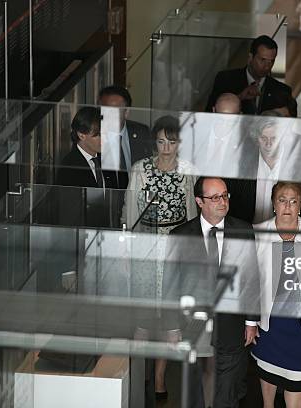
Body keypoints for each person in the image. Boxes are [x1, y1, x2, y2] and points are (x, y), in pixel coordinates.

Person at [163, 177, 260, 408]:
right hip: (193, 326)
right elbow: (170, 284)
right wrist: (171, 327)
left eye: (225, 195)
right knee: (194, 392)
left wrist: (251, 320)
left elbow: (251, 277)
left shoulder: (243, 230)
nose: (222, 202)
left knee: (227, 393)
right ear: (199, 201)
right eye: (215, 197)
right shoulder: (180, 235)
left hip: (231, 324)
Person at [122, 115, 197, 402]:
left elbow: (191, 213)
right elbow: (130, 209)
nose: (166, 147)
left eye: (172, 141)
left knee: (169, 315)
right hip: (145, 246)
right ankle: (137, 373)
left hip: (175, 247)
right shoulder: (140, 169)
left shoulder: (188, 170)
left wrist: (192, 252)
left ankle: (160, 377)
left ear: (180, 144)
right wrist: (127, 249)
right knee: (142, 315)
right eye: (162, 141)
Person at [251, 182, 301, 408]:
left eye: (293, 201)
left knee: (297, 384)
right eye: (282, 200)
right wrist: (252, 319)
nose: (287, 206)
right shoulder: (258, 232)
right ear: (274, 204)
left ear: (300, 205)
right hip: (270, 324)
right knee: (268, 392)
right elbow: (251, 281)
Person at [206, 35, 292, 115]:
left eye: (271, 61)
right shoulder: (226, 79)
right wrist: (239, 98)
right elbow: (209, 113)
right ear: (250, 57)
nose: (267, 66)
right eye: (262, 60)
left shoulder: (282, 91)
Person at [98, 85, 153, 177]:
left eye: (114, 111)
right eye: (105, 110)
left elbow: (149, 166)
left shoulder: (141, 132)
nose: (108, 115)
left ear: (126, 112)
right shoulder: (93, 135)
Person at [56, 107, 115, 189]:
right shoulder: (69, 168)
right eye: (99, 135)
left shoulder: (107, 159)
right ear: (81, 135)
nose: (106, 139)